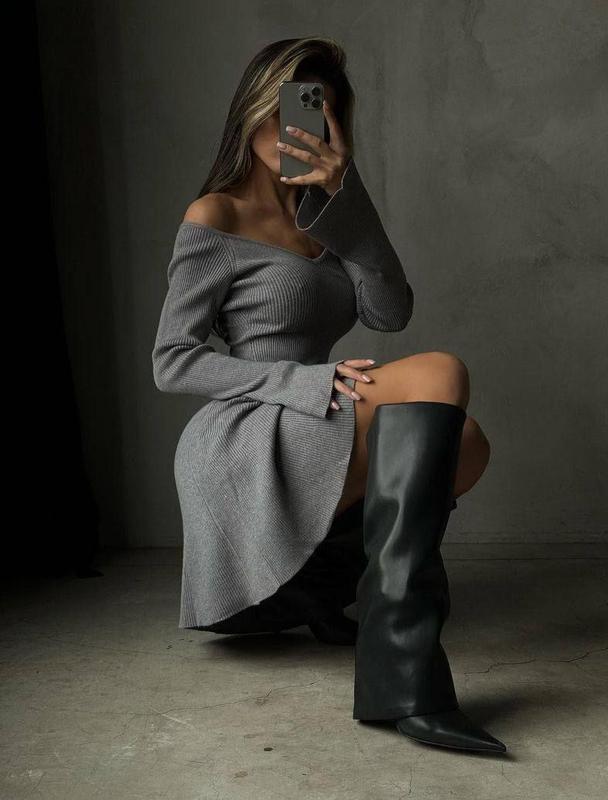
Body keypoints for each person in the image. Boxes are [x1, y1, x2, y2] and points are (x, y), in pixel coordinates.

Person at [152, 36, 506, 754]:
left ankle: (325, 592)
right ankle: (402, 677)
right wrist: (300, 382)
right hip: (250, 426)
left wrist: (349, 198)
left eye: (318, 114)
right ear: (253, 112)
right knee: (440, 372)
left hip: (319, 411)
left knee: (467, 446)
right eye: (285, 110)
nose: (299, 129)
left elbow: (389, 312)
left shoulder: (327, 217)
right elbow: (172, 361)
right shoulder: (215, 215)